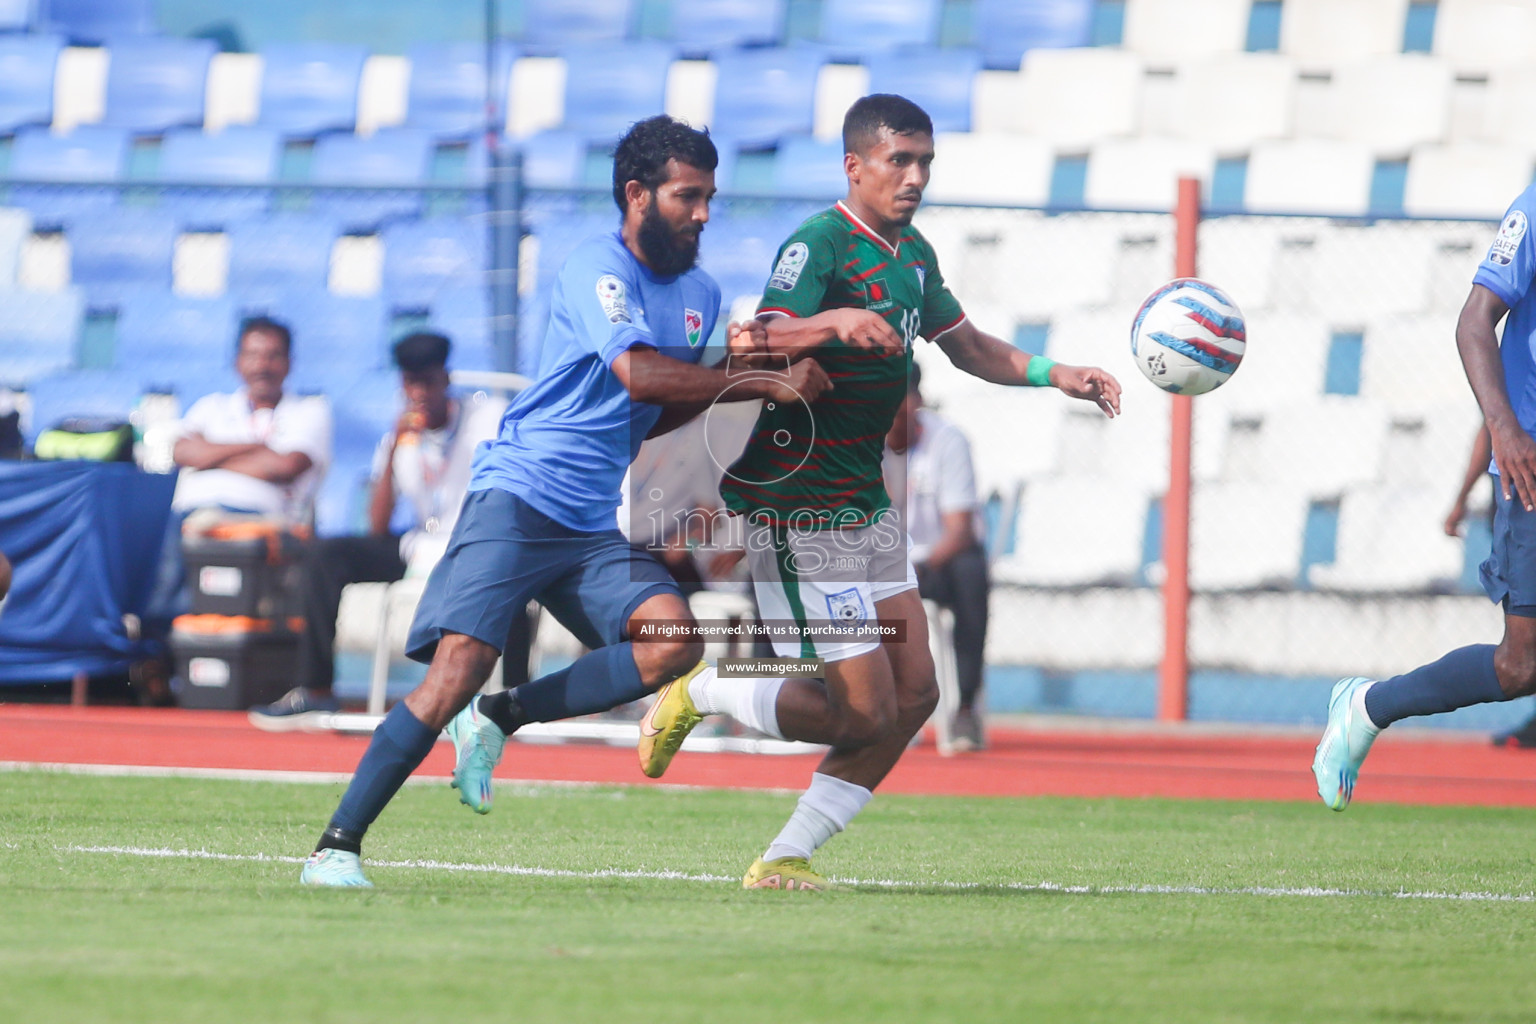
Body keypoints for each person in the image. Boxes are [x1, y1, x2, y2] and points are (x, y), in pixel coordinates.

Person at [299, 115, 830, 887]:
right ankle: (334, 849)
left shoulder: (701, 292)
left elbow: (662, 410)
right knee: (457, 670)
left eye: (711, 197)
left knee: (672, 643)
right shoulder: (595, 268)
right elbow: (640, 377)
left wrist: (734, 368)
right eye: (689, 196)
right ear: (637, 195)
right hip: (516, 497)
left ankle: (500, 717)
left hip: (586, 521)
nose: (704, 214)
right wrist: (760, 379)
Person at [638, 94, 1121, 891]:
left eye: (925, 160)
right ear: (854, 166)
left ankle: (786, 856)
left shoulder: (914, 253)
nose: (916, 176)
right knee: (858, 710)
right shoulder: (819, 245)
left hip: (865, 505)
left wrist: (1051, 372)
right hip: (800, 508)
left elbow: (964, 345)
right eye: (900, 160)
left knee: (917, 694)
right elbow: (755, 337)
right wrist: (832, 322)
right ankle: (710, 685)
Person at [1313, 187, 1536, 808]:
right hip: (1532, 467)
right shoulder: (1534, 210)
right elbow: (1473, 322)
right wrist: (1505, 428)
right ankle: (1367, 706)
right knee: (1521, 666)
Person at [248, 332, 509, 729]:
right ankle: (315, 691)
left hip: (473, 544)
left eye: (428, 382)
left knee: (508, 564)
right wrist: (392, 451)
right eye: (410, 383)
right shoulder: (400, 436)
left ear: (446, 380)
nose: (419, 393)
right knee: (325, 555)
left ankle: (512, 699)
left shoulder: (483, 420)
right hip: (420, 547)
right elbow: (377, 526)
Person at [883, 362, 990, 753]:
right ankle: (821, 696)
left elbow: (959, 529)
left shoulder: (948, 441)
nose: (895, 423)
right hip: (881, 566)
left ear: (918, 404)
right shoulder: (859, 442)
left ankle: (964, 707)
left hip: (935, 564)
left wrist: (913, 566)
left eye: (901, 411)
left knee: (971, 571)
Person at [172, 317, 331, 526]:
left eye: (273, 356)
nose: (261, 366)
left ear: (289, 363)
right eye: (252, 355)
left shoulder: (310, 410)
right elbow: (182, 453)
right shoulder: (210, 407)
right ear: (237, 361)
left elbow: (286, 466)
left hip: (266, 524)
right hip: (192, 514)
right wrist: (256, 447)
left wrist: (208, 459)